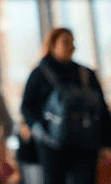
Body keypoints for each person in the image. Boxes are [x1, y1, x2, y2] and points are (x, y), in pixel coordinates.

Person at [21, 27, 111, 184]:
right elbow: (26, 106)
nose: (71, 47)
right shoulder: (39, 74)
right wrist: (38, 130)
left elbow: (102, 109)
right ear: (52, 45)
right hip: (51, 146)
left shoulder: (86, 73)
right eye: (65, 42)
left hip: (86, 145)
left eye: (73, 42)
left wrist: (106, 143)